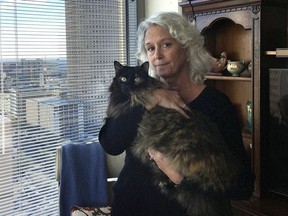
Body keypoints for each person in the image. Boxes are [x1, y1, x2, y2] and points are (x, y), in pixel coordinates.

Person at [99, 12, 254, 216]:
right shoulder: (136, 96)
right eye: (150, 48)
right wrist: (150, 100)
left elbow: (243, 186)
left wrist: (180, 177)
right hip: (130, 207)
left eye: (166, 45)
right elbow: (111, 143)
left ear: (187, 49)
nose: (157, 55)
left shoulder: (216, 104)